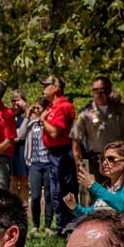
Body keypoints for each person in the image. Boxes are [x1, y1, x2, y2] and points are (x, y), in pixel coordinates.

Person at [71, 76, 124, 185]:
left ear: (109, 91)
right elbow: (76, 141)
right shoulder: (84, 113)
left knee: (119, 194)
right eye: (95, 90)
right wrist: (79, 165)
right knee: (97, 197)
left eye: (102, 90)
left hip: (118, 161)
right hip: (96, 162)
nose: (99, 93)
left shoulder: (122, 110)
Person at [64, 141, 124, 219]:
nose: (104, 163)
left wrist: (93, 185)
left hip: (123, 233)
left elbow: (122, 205)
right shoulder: (106, 187)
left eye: (111, 159)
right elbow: (90, 215)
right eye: (103, 159)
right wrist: (74, 207)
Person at [40, 74, 76, 236]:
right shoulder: (51, 107)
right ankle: (61, 226)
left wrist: (42, 120)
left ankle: (70, 226)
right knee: (56, 190)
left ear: (57, 88)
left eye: (47, 85)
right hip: (53, 153)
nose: (43, 89)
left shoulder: (64, 106)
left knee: (65, 189)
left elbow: (55, 132)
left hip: (63, 153)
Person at [25, 98, 54, 234]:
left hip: (48, 163)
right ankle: (35, 225)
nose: (36, 111)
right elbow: (19, 135)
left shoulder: (49, 123)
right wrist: (27, 116)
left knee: (49, 195)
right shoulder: (32, 124)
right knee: (35, 196)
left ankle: (48, 225)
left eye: (39, 108)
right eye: (35, 108)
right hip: (35, 163)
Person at [10, 90, 29, 208]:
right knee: (13, 180)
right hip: (11, 150)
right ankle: (14, 207)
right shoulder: (9, 115)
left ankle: (24, 207)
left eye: (18, 100)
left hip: (23, 149)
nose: (15, 103)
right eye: (13, 101)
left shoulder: (27, 115)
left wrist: (26, 108)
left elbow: (21, 135)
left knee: (23, 180)